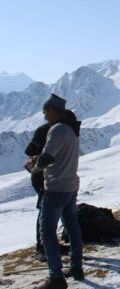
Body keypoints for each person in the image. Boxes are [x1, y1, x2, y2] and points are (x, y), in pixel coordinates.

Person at [26, 94, 84, 288]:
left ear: (51, 110)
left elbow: (47, 158)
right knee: (72, 225)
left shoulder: (57, 129)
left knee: (47, 231)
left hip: (56, 186)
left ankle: (56, 277)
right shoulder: (71, 129)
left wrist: (33, 167)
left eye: (45, 112)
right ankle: (76, 266)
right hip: (70, 185)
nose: (44, 116)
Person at [24, 122, 51, 262]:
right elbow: (29, 150)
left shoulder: (57, 129)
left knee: (51, 211)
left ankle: (50, 243)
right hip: (40, 177)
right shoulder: (45, 130)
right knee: (44, 211)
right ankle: (41, 247)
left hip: (49, 176)